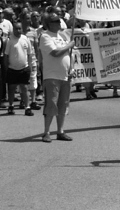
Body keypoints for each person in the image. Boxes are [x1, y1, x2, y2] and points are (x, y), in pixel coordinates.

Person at [39, 11, 73, 142]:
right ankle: (46, 131)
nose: (59, 23)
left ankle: (60, 131)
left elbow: (71, 55)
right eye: (56, 21)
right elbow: (55, 52)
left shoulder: (62, 37)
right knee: (51, 104)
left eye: (59, 20)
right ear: (49, 24)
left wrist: (72, 68)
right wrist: (69, 45)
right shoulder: (45, 36)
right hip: (52, 76)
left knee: (63, 105)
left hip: (65, 76)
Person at [4, 20, 36, 115]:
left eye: (20, 28)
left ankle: (27, 107)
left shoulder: (25, 39)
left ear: (22, 29)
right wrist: (6, 68)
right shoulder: (9, 40)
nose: (18, 30)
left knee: (25, 88)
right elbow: (6, 55)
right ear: (13, 29)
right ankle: (11, 106)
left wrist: (29, 67)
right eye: (16, 28)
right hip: (12, 68)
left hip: (24, 68)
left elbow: (30, 54)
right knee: (12, 88)